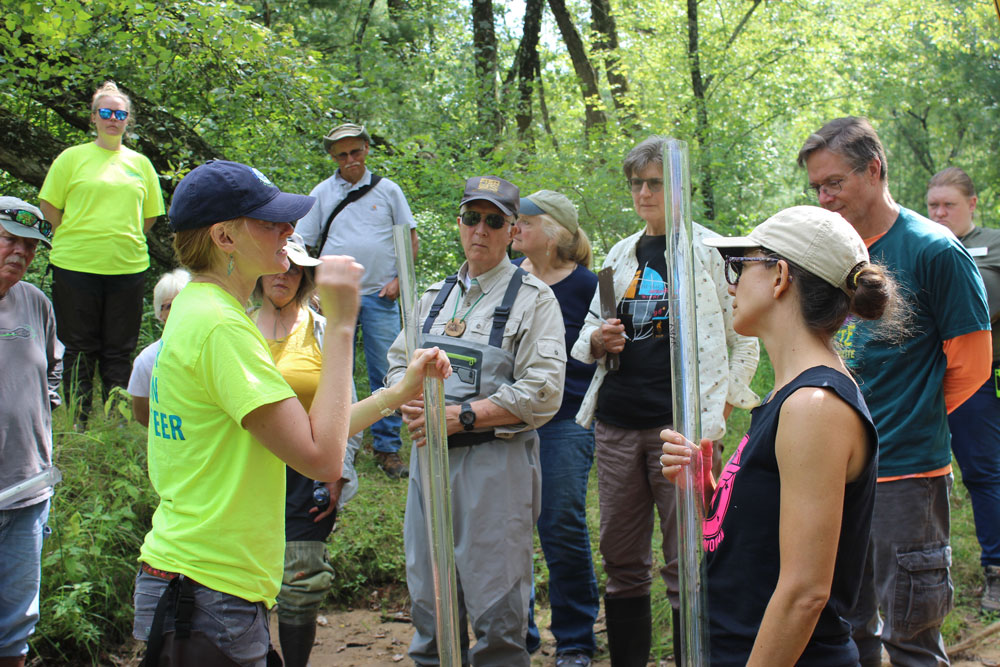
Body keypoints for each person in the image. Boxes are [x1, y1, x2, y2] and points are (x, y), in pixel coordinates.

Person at [131, 159, 449, 665]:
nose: (289, 230)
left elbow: (302, 432)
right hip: (207, 590)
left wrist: (393, 395)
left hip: (197, 579)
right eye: (269, 221)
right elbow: (322, 459)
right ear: (224, 237)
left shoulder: (199, 309)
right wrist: (343, 324)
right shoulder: (224, 330)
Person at [661, 205, 898, 665]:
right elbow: (758, 543)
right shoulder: (787, 397)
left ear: (779, 276)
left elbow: (804, 593)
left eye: (738, 266)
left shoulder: (814, 407)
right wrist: (703, 490)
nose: (730, 284)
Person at [798, 117, 991, 665]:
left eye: (833, 182)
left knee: (910, 636)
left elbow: (971, 365)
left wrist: (912, 416)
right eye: (816, 187)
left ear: (874, 169)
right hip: (833, 473)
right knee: (846, 631)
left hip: (907, 473)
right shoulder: (828, 252)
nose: (824, 196)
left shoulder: (933, 250)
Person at [570, 136, 759, 666]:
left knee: (689, 557)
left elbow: (745, 337)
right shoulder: (620, 254)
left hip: (682, 430)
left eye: (656, 183)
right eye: (637, 183)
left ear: (679, 189)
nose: (645, 193)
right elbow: (587, 331)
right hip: (616, 423)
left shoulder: (712, 252)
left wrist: (719, 413)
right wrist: (597, 341)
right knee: (621, 555)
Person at [384, 175, 567, 667]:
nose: (479, 230)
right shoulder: (434, 297)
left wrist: (462, 416)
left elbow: (544, 392)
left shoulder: (534, 299)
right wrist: (406, 395)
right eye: (471, 218)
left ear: (513, 231)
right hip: (429, 466)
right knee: (429, 605)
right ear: (458, 224)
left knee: (497, 613)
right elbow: (398, 360)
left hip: (496, 467)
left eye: (493, 221)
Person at [250, 233, 364, 666]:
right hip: (245, 468)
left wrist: (338, 470)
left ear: (308, 277)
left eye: (297, 268)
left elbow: (345, 405)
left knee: (301, 579)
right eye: (279, 265)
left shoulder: (322, 331)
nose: (286, 274)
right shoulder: (234, 326)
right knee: (243, 576)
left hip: (306, 471)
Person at [295, 122, 418, 478]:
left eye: (356, 151)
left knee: (387, 370)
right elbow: (300, 242)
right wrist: (312, 286)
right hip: (333, 298)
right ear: (333, 157)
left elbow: (409, 239)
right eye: (342, 154)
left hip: (380, 294)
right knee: (332, 369)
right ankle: (332, 438)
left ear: (366, 150)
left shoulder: (389, 191)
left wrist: (400, 279)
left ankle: (387, 448)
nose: (350, 159)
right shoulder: (321, 193)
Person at [38, 81, 165, 424]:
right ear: (93, 117)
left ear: (128, 121)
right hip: (74, 265)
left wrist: (121, 238)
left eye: (120, 114)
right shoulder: (71, 158)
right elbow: (49, 204)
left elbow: (149, 216)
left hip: (127, 268)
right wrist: (72, 233)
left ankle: (118, 420)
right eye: (106, 112)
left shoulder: (140, 164)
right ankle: (79, 420)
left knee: (118, 349)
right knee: (78, 347)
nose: (113, 119)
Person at [512, 190, 599, 667]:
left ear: (556, 232)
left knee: (560, 526)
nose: (515, 227)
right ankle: (517, 634)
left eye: (526, 220)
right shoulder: (507, 280)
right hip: (506, 419)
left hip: (566, 421)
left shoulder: (587, 285)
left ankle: (575, 639)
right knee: (509, 529)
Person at [926, 166, 1000, 613]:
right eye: (932, 206)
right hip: (935, 380)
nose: (939, 213)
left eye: (948, 205)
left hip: (984, 379)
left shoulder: (991, 246)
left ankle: (996, 571)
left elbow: (983, 303)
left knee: (984, 471)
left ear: (971, 204)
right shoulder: (925, 247)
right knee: (945, 474)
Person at [0, 199, 61, 667]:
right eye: (9, 239)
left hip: (27, 491)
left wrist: (40, 416)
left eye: (30, 246)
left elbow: (52, 371)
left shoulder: (36, 302)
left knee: (16, 627)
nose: (20, 252)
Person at [127, 268, 190, 426]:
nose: (178, 308)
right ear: (159, 314)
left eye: (184, 301)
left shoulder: (215, 348)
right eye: (169, 305)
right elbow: (142, 415)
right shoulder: (147, 360)